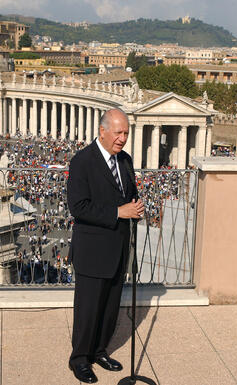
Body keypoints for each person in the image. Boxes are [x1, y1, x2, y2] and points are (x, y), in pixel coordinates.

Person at [67, 108, 144, 383]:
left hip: (118, 248)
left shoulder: (125, 160)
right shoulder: (82, 162)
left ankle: (100, 351)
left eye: (126, 133)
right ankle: (79, 359)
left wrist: (135, 206)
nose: (122, 138)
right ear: (102, 131)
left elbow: (129, 194)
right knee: (87, 310)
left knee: (110, 309)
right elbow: (78, 207)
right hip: (92, 250)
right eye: (118, 133)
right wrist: (118, 213)